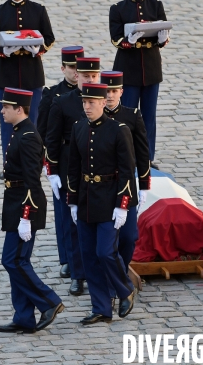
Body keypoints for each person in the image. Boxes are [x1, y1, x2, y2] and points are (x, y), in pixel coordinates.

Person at [67, 83, 137, 325]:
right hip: (86, 199)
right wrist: (72, 202)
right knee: (89, 256)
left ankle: (125, 288)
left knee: (105, 252)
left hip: (110, 199)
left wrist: (123, 204)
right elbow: (73, 168)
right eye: (84, 102)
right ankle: (101, 308)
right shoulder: (78, 128)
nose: (86, 107)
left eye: (91, 103)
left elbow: (128, 171)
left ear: (102, 103)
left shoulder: (119, 130)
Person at [0, 87, 64, 334]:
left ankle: (49, 302)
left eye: (6, 107)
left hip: (25, 206)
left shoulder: (28, 137)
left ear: (19, 109)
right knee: (16, 260)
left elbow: (32, 181)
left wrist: (26, 216)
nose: (2, 110)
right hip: (15, 203)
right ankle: (24, 316)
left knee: (14, 260)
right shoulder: (19, 132)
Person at [0, 0, 55, 174]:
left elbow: (49, 38)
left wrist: (38, 49)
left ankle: (32, 164)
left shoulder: (38, 10)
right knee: (8, 124)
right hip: (7, 76)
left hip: (32, 74)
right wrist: (4, 50)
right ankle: (10, 165)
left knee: (33, 122)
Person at [45, 57, 101, 296]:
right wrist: (53, 172)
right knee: (73, 224)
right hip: (71, 168)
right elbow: (51, 139)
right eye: (86, 76)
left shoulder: (102, 101)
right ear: (76, 76)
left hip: (99, 168)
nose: (90, 80)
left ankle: (97, 271)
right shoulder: (63, 103)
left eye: (94, 76)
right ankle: (78, 275)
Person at [109, 0, 170, 167]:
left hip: (151, 69)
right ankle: (126, 156)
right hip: (129, 69)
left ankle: (147, 157)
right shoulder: (118, 9)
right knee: (126, 115)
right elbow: (115, 38)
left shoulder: (155, 5)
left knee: (148, 117)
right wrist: (129, 40)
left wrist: (162, 38)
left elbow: (163, 34)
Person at [37, 46, 84, 278]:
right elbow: (43, 132)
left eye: (80, 68)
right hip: (63, 159)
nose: (76, 72)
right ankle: (66, 257)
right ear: (63, 68)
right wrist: (49, 166)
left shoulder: (93, 95)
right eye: (72, 68)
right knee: (64, 213)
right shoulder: (52, 95)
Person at [103, 70, 150, 269]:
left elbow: (142, 153)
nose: (110, 95)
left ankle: (121, 268)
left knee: (129, 236)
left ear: (121, 92)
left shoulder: (132, 116)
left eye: (114, 91)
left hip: (126, 185)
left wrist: (145, 185)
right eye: (106, 91)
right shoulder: (91, 117)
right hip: (102, 185)